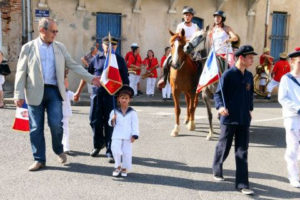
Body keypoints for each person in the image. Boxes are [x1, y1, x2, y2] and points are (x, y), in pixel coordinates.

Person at [14, 17, 101, 171]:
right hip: (34, 92)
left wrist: (91, 78)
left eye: (56, 31)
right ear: (42, 30)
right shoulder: (28, 48)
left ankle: (58, 149)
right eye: (53, 31)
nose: (56, 34)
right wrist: (18, 94)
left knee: (56, 125)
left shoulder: (60, 47)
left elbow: (73, 65)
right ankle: (39, 159)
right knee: (35, 128)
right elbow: (21, 72)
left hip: (54, 91)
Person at [74, 35, 129, 161]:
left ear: (116, 46)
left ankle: (111, 151)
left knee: (111, 123)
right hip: (96, 96)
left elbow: (125, 81)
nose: (110, 47)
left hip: (112, 97)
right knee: (94, 121)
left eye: (113, 45)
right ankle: (98, 144)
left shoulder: (119, 60)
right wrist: (77, 92)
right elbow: (87, 76)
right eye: (107, 44)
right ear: (102, 45)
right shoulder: (96, 59)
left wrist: (124, 99)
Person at [212, 45, 257, 195]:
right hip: (229, 117)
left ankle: (243, 184)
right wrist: (219, 108)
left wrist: (250, 109)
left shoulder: (249, 76)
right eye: (250, 57)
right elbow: (218, 94)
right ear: (241, 57)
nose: (252, 60)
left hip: (244, 118)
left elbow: (250, 94)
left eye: (252, 57)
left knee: (242, 151)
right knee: (224, 146)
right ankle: (217, 168)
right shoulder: (228, 74)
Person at [158, 6, 199, 89]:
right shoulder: (180, 26)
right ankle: (164, 78)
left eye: (189, 15)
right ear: (184, 16)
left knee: (201, 62)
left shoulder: (195, 26)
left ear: (192, 16)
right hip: (181, 48)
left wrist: (190, 41)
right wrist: (184, 40)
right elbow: (177, 37)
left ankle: (200, 81)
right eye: (186, 15)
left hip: (192, 49)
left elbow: (197, 37)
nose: (187, 17)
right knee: (167, 61)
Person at [278, 47, 300, 188]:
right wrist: (298, 108)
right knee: (292, 147)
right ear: (292, 61)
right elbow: (282, 98)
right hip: (292, 116)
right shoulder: (286, 79)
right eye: (299, 61)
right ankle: (293, 176)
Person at [108, 85, 139, 177]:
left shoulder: (132, 112)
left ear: (129, 100)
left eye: (126, 98)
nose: (124, 100)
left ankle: (124, 168)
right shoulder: (114, 111)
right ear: (118, 99)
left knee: (126, 153)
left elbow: (135, 124)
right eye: (122, 98)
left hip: (127, 136)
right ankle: (117, 166)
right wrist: (112, 120)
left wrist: (134, 135)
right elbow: (110, 124)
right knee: (115, 150)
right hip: (117, 135)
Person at [62, 70, 75, 154]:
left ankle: (66, 147)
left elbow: (75, 96)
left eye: (66, 81)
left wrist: (78, 93)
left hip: (65, 115)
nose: (66, 83)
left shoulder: (68, 93)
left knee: (65, 130)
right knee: (58, 131)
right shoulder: (55, 93)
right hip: (56, 114)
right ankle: (61, 145)